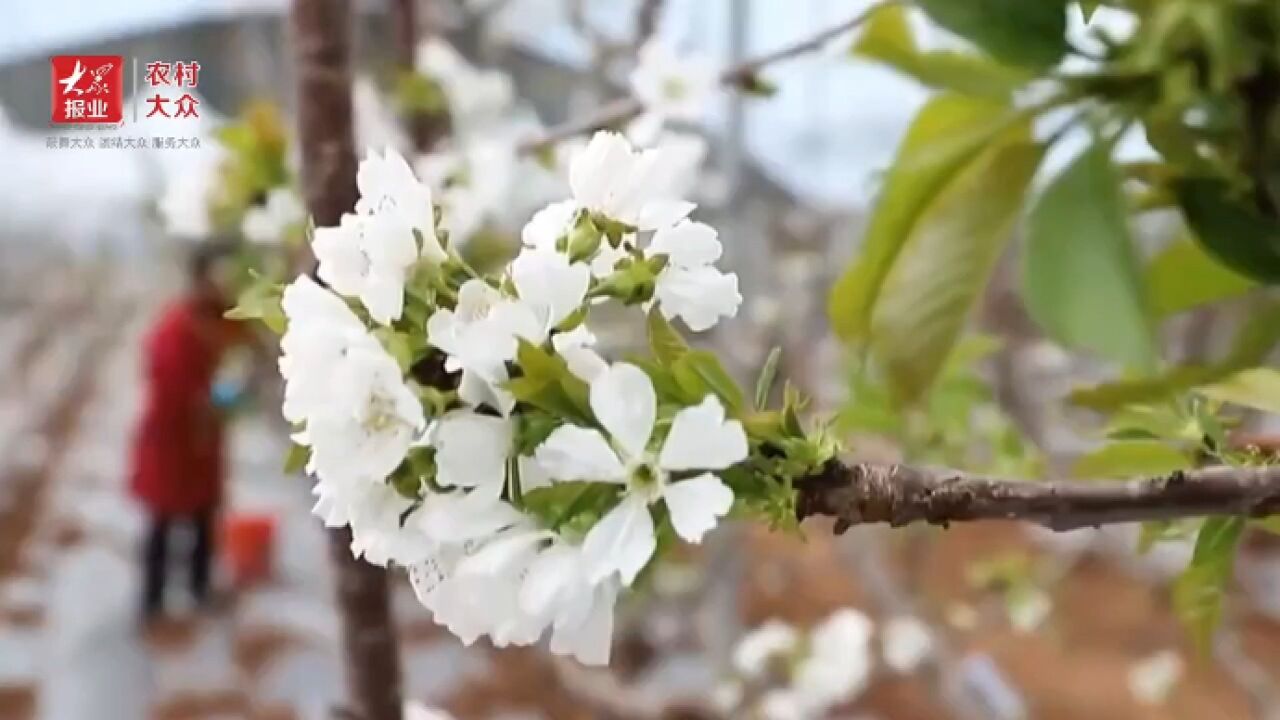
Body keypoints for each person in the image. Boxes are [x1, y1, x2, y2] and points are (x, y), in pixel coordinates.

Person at [129, 242, 249, 621]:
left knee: (202, 517)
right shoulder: (175, 328)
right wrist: (213, 400)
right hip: (170, 440)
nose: (222, 286)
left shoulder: (219, 316)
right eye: (216, 279)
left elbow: (243, 341)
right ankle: (152, 603)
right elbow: (173, 386)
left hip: (202, 441)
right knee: (162, 523)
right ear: (199, 279)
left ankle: (198, 592)